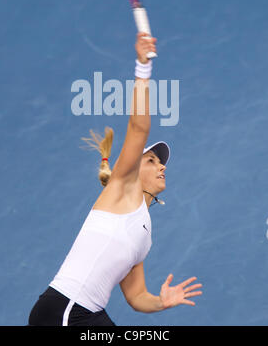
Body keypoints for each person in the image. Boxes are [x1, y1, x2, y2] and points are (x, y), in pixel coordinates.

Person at [28, 32, 202, 326]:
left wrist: (162, 301)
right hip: (64, 309)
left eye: (162, 163)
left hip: (86, 314)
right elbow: (138, 126)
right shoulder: (120, 188)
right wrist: (143, 67)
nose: (161, 167)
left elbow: (136, 297)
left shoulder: (144, 235)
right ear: (133, 168)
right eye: (151, 160)